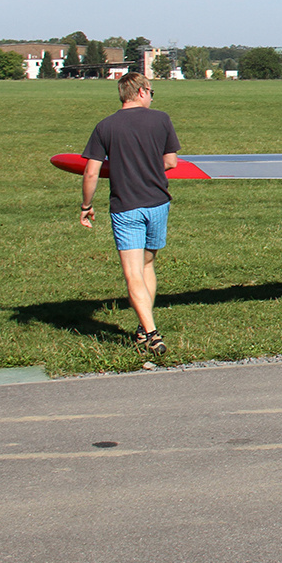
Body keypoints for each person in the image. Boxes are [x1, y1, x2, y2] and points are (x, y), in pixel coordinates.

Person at [79, 72, 181, 357]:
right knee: (147, 266)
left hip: (126, 205)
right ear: (141, 91)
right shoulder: (162, 119)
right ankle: (143, 326)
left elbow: (91, 171)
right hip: (158, 203)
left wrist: (86, 206)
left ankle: (151, 333)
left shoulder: (105, 126)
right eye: (151, 91)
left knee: (132, 271)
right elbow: (170, 162)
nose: (152, 97)